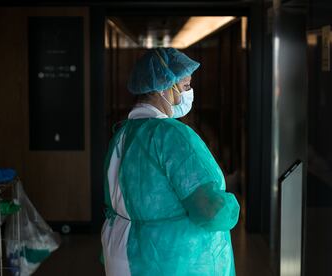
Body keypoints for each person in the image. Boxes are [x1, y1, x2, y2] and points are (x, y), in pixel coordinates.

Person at [101, 47, 240, 276]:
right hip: (166, 259)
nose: (188, 93)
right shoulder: (170, 135)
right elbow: (211, 210)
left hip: (121, 252)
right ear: (165, 86)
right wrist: (232, 207)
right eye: (185, 87)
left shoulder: (122, 134)